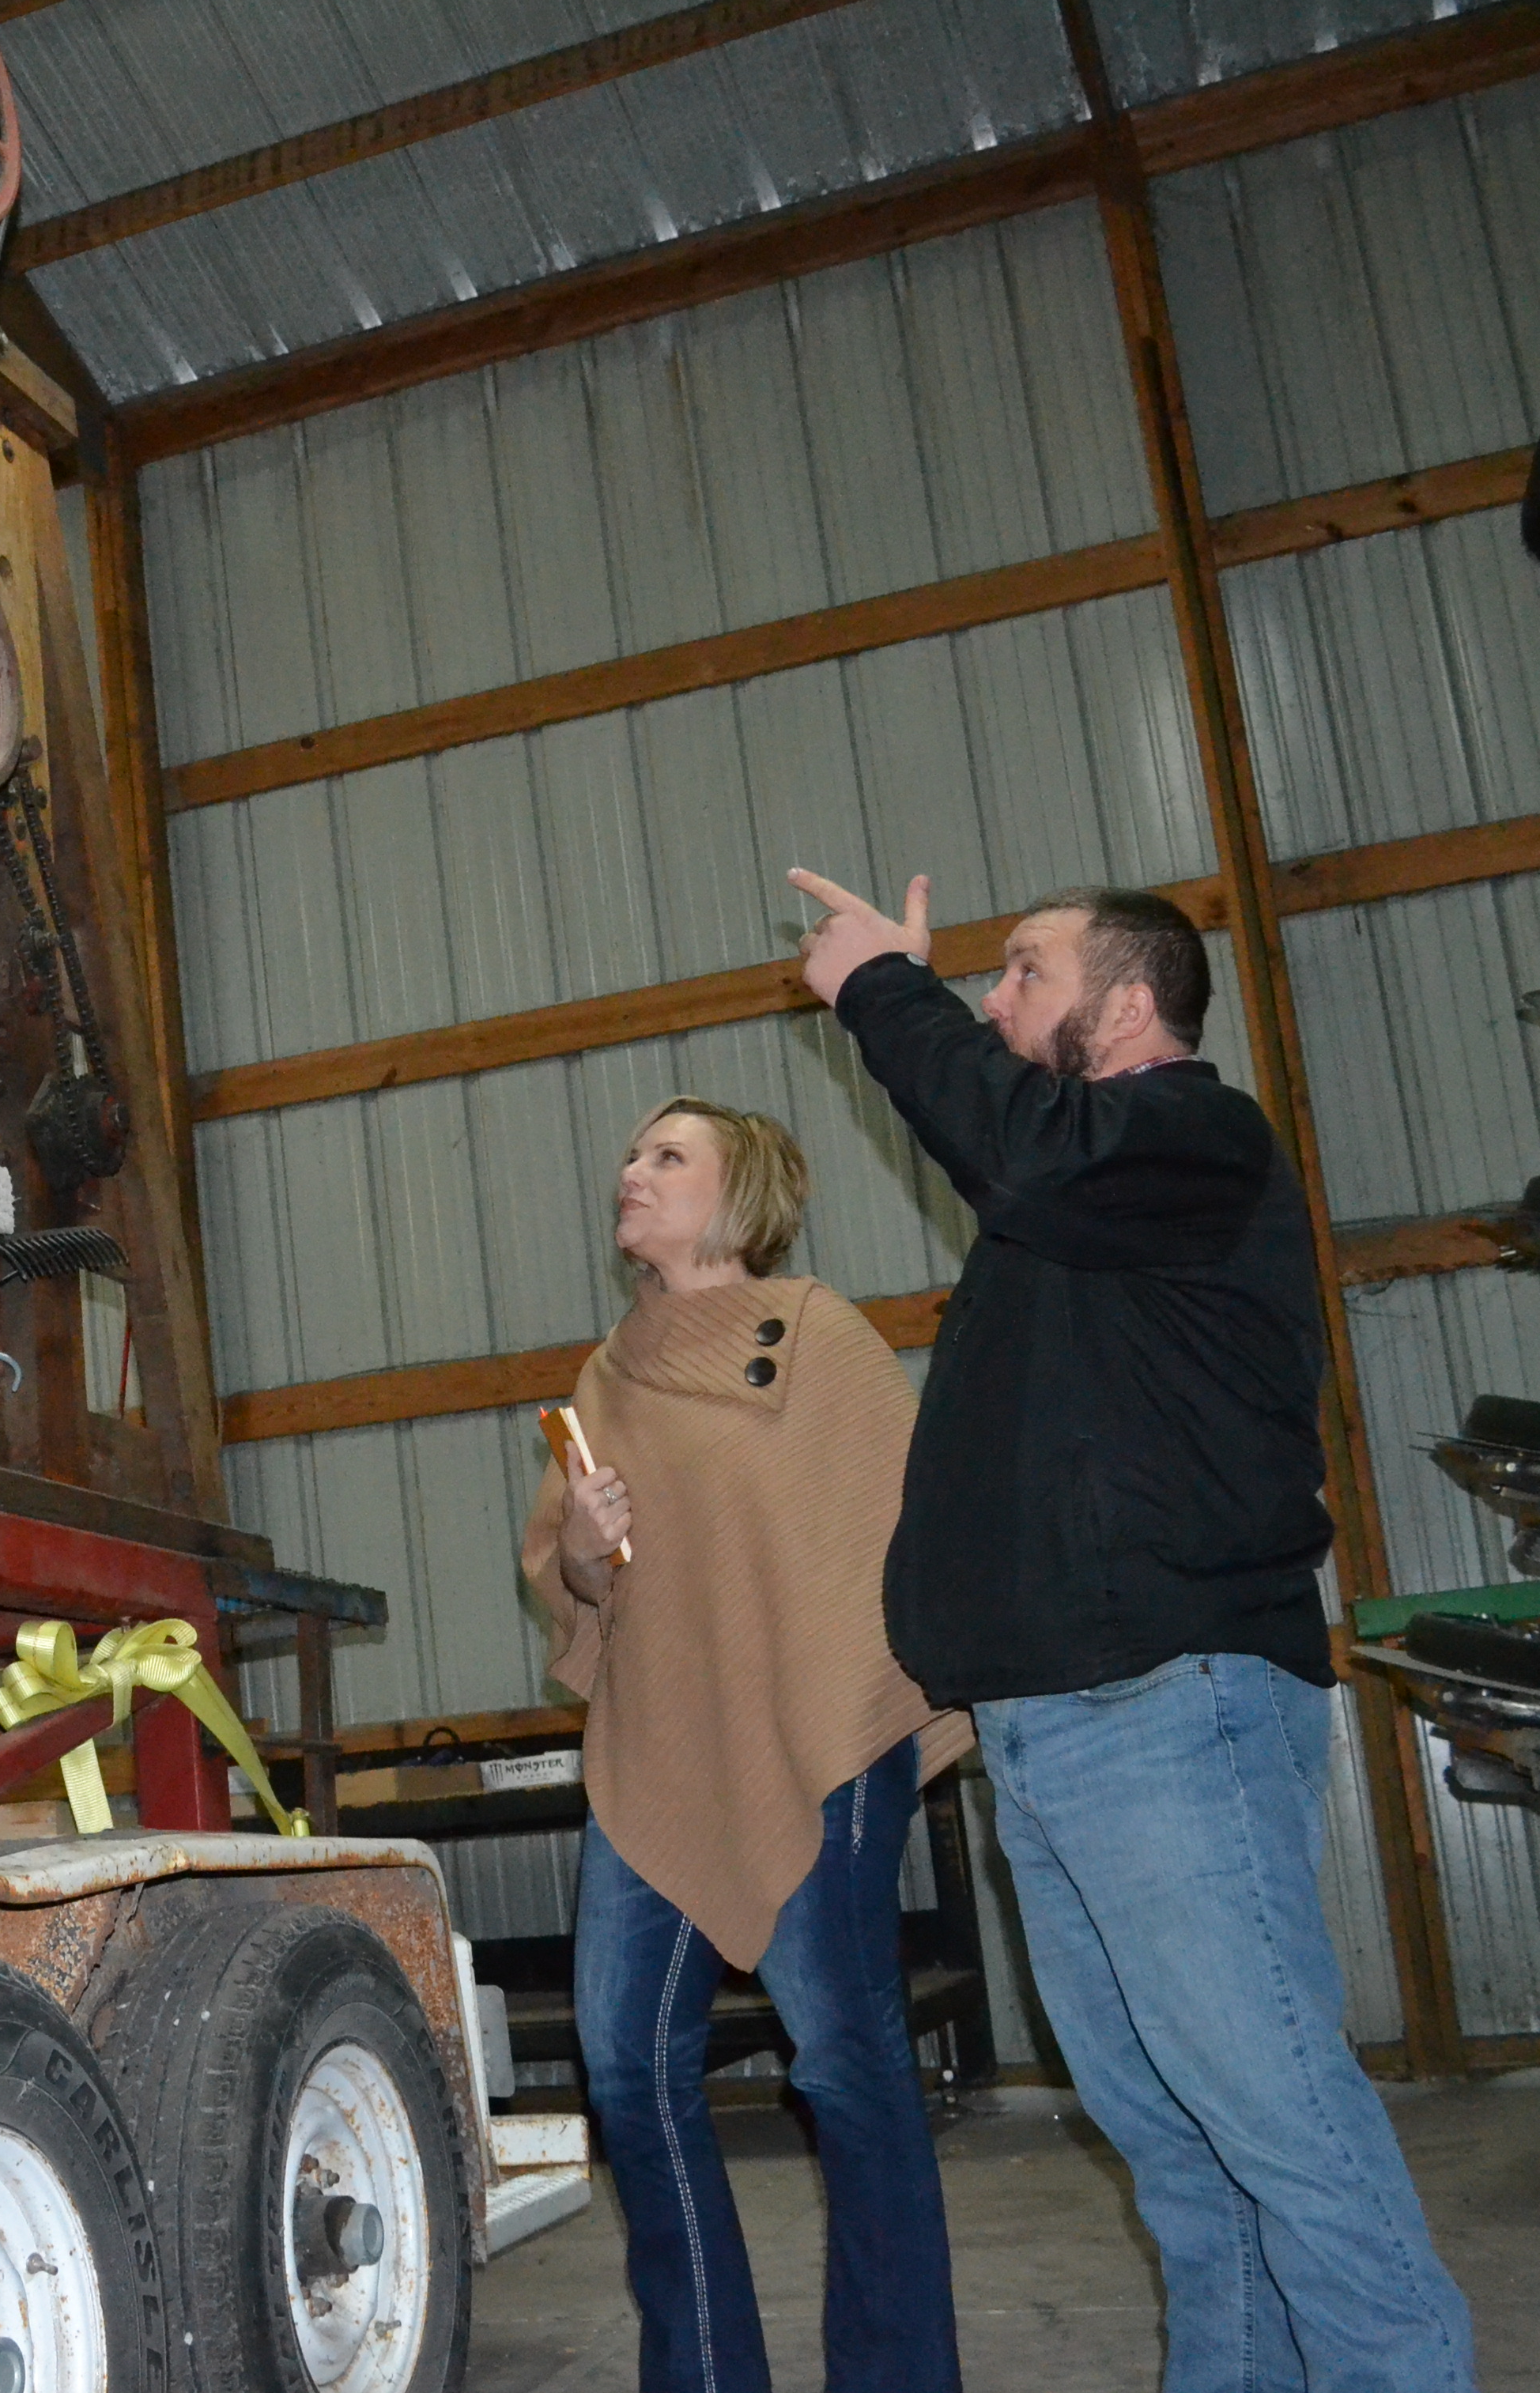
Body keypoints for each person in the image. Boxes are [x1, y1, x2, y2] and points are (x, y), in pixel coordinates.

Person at [786, 869, 1476, 2393]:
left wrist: (879, 989)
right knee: (1183, 2154)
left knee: (1278, 2120)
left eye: (1024, 972)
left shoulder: (1189, 1137)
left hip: (1163, 1706)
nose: (991, 1000)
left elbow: (1021, 1154)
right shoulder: (1083, 1213)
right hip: (1054, 1724)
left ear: (1132, 1000)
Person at [519, 1096, 969, 2393]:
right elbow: (576, 1574)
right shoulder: (604, 1377)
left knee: (845, 2057)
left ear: (738, 1194)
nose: (631, 1168)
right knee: (623, 2062)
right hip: (659, 1749)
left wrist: (858, 1704)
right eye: (631, 1147)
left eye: (667, 1155)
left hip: (818, 1737)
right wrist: (592, 1560)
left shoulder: (819, 1337)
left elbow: (893, 1528)